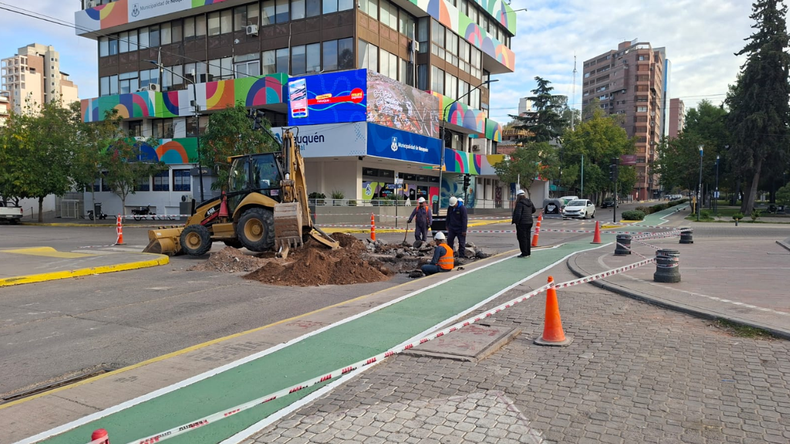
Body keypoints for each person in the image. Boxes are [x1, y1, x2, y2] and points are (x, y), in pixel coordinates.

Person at [511, 189, 536, 257]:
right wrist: (528, 213)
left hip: (522, 223)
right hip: (529, 222)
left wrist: (516, 222)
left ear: (518, 196)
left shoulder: (519, 204)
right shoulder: (529, 202)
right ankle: (528, 252)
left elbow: (518, 214)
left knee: (522, 238)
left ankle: (524, 253)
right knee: (528, 237)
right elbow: (534, 210)